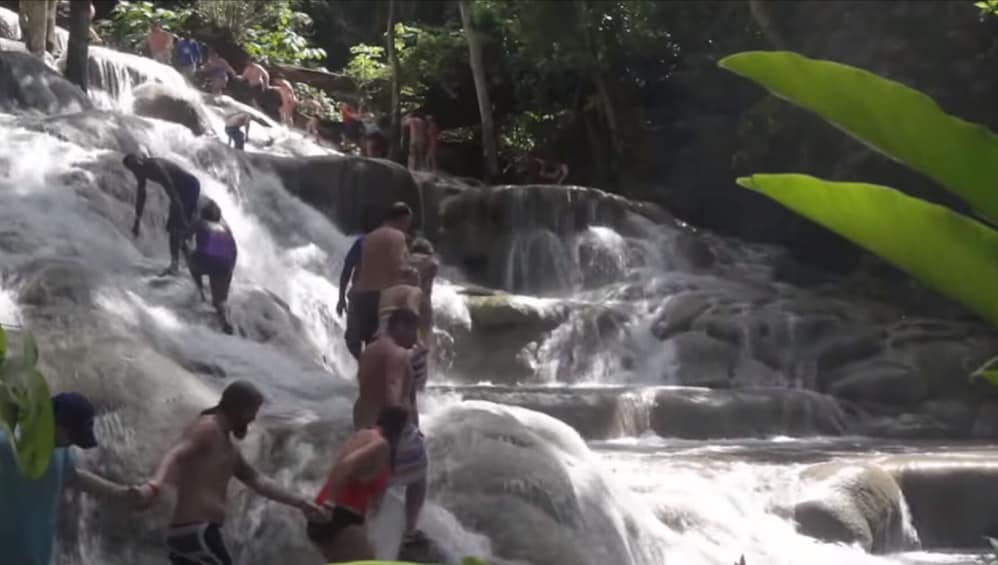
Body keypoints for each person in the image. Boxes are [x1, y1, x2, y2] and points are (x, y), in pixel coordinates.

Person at [136, 381, 327, 565]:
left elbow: (260, 482)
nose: (253, 418)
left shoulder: (229, 448)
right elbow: (176, 454)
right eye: (252, 411)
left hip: (192, 534)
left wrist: (301, 503)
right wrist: (154, 485)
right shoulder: (207, 427)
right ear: (237, 407)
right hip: (198, 533)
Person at [1, 393, 144, 565]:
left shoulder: (60, 450)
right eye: (71, 435)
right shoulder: (6, 444)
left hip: (36, 554)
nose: (71, 443)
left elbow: (73, 476)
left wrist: (117, 492)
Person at [354, 309, 428, 547]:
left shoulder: (370, 351)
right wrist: (395, 437)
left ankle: (366, 530)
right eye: (412, 332)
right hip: (392, 426)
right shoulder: (398, 354)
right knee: (419, 476)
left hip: (365, 423)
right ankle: (410, 530)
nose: (415, 340)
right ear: (399, 327)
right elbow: (392, 389)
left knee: (377, 480)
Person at [306, 405, 408, 563]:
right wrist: (329, 505)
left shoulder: (361, 435)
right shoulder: (380, 445)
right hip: (340, 516)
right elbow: (346, 465)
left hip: (323, 513)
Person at [346, 203, 413, 359]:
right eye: (407, 223)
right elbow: (399, 266)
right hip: (383, 297)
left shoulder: (369, 237)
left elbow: (360, 268)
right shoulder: (397, 236)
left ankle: (364, 367)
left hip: (361, 295)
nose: (407, 227)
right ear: (401, 219)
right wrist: (411, 273)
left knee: (361, 340)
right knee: (383, 340)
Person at [124, 154, 204, 276]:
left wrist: (180, 213)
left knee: (175, 228)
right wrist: (137, 221)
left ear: (140, 159)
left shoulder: (154, 165)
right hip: (182, 189)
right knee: (178, 229)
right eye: (132, 168)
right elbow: (141, 196)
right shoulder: (139, 170)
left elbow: (170, 187)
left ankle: (176, 265)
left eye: (135, 165)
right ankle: (187, 263)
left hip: (189, 186)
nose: (135, 169)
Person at [189, 200, 237, 335]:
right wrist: (230, 270)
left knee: (190, 258)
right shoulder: (226, 229)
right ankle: (226, 323)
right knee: (220, 302)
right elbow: (234, 251)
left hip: (206, 260)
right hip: (226, 265)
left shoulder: (200, 223)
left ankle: (200, 292)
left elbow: (184, 235)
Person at [408, 237, 439, 347]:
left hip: (404, 303)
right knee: (424, 344)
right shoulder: (432, 263)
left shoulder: (404, 261)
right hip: (423, 305)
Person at [376, 266, 422, 337]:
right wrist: (419, 342)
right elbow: (412, 314)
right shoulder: (414, 290)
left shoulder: (385, 291)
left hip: (379, 336)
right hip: (395, 337)